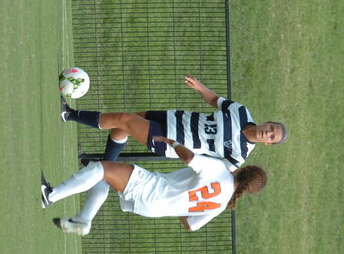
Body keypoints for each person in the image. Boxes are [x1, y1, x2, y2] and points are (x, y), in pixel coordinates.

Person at [40, 136, 267, 235]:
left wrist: (172, 142)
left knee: (101, 169)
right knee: (105, 176)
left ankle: (50, 195)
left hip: (152, 188)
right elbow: (190, 225)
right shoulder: (220, 204)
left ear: (244, 168)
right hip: (153, 209)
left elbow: (190, 158)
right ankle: (82, 220)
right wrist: (177, 203)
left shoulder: (220, 170)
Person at [59, 74, 288, 171]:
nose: (267, 133)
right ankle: (103, 169)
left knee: (124, 120)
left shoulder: (238, 155)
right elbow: (216, 101)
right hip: (172, 118)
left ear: (268, 144)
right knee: (121, 127)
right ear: (267, 122)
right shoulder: (241, 112)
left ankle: (69, 114)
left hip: (170, 140)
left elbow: (213, 172)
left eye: (271, 136)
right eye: (271, 128)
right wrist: (200, 87)